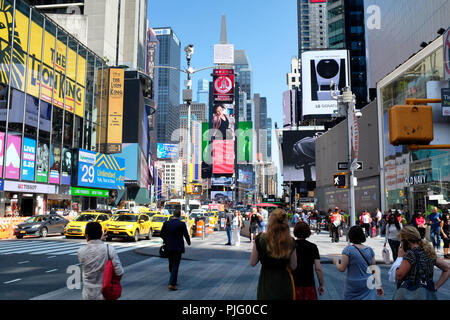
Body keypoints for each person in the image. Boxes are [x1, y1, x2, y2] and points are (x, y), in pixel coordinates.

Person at [250, 208, 297, 300]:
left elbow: (252, 262)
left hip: (266, 284)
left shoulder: (260, 239)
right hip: (284, 284)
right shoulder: (290, 241)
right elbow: (294, 266)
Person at [394, 226, 450, 299]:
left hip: (411, 294)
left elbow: (399, 275)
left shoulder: (410, 254)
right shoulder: (428, 252)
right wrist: (436, 287)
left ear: (406, 241)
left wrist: (400, 257)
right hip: (427, 294)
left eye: (401, 241)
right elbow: (447, 268)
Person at [333, 226, 384, 300]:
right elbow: (374, 269)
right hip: (368, 283)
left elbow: (342, 268)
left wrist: (336, 262)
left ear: (350, 236)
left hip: (353, 284)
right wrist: (379, 285)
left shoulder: (348, 250)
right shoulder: (369, 250)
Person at [77, 222, 124, 300]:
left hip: (88, 295)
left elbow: (93, 247)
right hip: (105, 294)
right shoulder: (109, 249)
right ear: (101, 234)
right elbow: (120, 272)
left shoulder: (80, 251)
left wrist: (98, 239)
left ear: (86, 235)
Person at [160, 209, 191, 291]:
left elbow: (161, 234)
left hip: (168, 247)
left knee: (171, 263)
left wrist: (166, 240)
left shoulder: (166, 223)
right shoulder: (181, 224)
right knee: (175, 265)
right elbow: (186, 234)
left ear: (173, 214)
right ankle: (172, 283)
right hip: (178, 247)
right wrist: (189, 242)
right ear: (180, 215)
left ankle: (172, 279)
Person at [293, 221, 325, 300]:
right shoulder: (313, 247)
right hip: (309, 284)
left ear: (295, 232)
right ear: (308, 232)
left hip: (293, 284)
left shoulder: (290, 246)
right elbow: (318, 268)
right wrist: (321, 284)